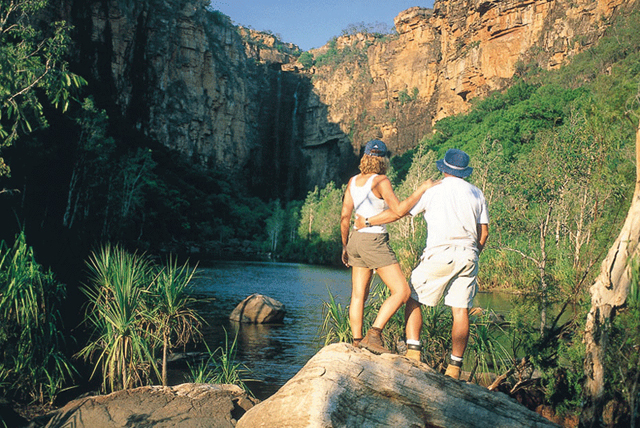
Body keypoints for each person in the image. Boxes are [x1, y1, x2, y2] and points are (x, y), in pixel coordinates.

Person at [355, 148, 489, 379]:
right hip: (469, 255)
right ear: (464, 172)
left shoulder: (434, 190)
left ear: (444, 169)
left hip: (440, 252)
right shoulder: (477, 193)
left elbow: (399, 213)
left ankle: (413, 352)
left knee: (412, 296)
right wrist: (472, 253)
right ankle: (455, 367)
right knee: (460, 310)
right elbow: (484, 234)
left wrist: (367, 221)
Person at [340, 139, 437, 354]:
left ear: (364, 157)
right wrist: (422, 188)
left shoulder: (353, 181)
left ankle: (357, 343)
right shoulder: (381, 181)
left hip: (355, 239)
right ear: (383, 160)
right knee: (402, 291)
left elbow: (345, 215)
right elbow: (400, 210)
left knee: (358, 295)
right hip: (373, 241)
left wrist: (345, 246)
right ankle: (374, 334)